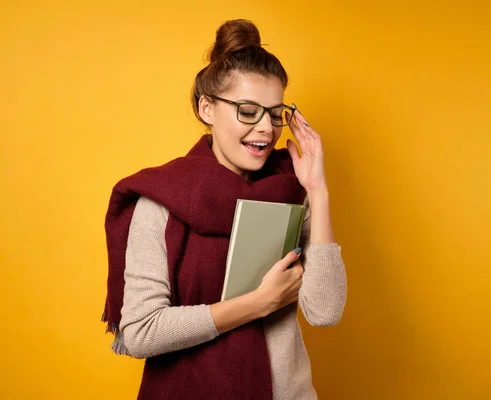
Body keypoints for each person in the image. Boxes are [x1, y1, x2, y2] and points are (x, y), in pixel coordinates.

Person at [101, 19, 347, 400]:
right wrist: (256, 304)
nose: (266, 128)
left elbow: (325, 311)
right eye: (248, 111)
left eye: (275, 112)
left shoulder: (291, 191)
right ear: (207, 108)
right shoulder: (161, 199)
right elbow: (139, 331)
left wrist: (318, 189)